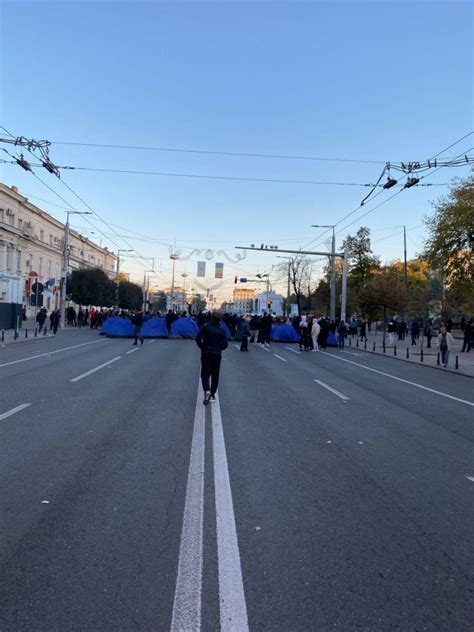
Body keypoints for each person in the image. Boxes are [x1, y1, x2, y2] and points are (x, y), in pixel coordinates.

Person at [196, 311, 228, 405]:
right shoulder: (222, 330)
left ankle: (207, 391)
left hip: (206, 353)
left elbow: (198, 338)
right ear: (220, 319)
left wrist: (202, 346)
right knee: (215, 375)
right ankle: (213, 395)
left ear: (211, 317)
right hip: (217, 354)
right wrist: (219, 348)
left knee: (205, 373)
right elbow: (225, 344)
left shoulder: (205, 327)